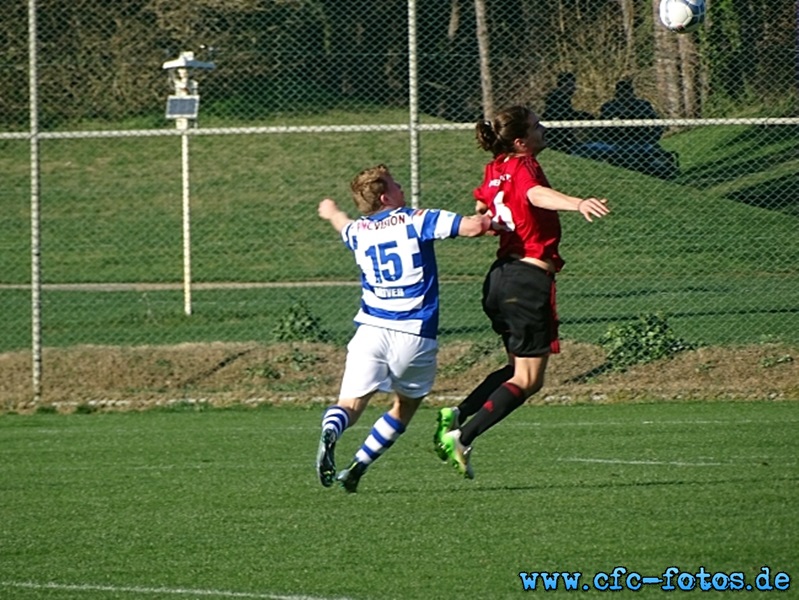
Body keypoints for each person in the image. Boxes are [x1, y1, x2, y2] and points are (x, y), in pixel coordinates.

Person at [433, 106, 610, 479]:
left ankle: (459, 413)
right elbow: (535, 195)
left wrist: (496, 219)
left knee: (517, 370)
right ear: (520, 141)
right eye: (535, 126)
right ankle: (461, 437)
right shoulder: (522, 164)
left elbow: (482, 207)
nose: (542, 129)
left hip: (499, 279)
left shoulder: (495, 168)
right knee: (530, 380)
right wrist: (576, 203)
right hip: (527, 281)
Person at [316, 164, 491, 492]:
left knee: (349, 406)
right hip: (414, 334)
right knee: (404, 407)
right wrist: (489, 214)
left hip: (370, 330)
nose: (401, 187)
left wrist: (331, 212)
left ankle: (331, 432)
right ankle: (358, 465)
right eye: (396, 184)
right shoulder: (416, 219)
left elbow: (343, 226)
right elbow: (472, 228)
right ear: (386, 197)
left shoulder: (359, 232)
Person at [599, 79, 663, 146]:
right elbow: (602, 126)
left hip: (641, 139)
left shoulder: (643, 105)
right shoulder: (609, 106)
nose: (625, 95)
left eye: (628, 92)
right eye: (622, 92)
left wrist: (651, 139)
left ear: (632, 92)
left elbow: (657, 123)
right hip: (615, 141)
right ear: (617, 93)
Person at [541, 72, 594, 152]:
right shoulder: (557, 97)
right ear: (563, 85)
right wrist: (579, 115)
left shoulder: (564, 98)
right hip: (556, 133)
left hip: (563, 133)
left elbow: (568, 113)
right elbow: (561, 114)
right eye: (570, 85)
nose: (573, 88)